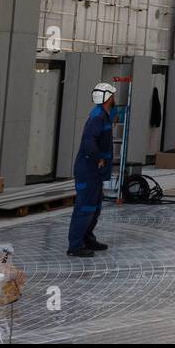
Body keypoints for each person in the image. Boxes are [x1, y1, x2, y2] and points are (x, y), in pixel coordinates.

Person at [67, 82, 115, 258]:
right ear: (108, 97)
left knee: (94, 207)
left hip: (94, 172)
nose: (114, 98)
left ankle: (87, 238)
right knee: (85, 208)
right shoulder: (97, 117)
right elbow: (88, 142)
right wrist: (99, 158)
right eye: (113, 96)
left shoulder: (102, 114)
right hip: (88, 170)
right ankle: (75, 245)